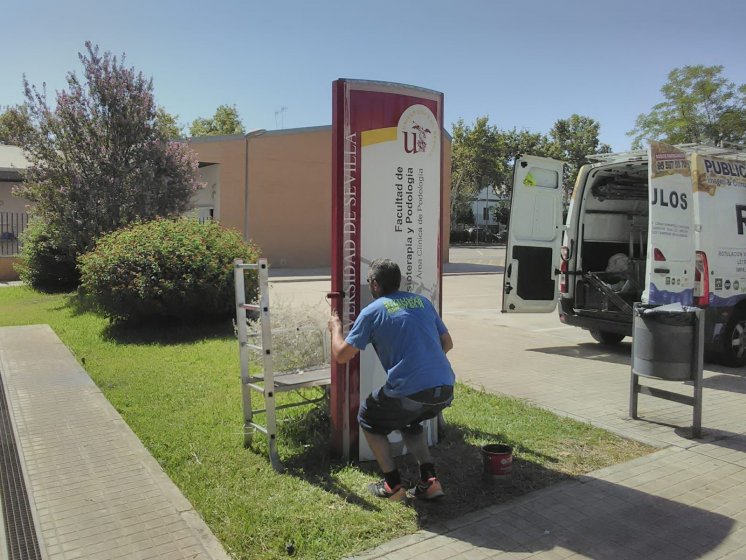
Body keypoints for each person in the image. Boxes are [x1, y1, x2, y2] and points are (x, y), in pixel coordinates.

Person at [328, 258, 455, 501]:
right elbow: (447, 343)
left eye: (369, 282)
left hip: (411, 390)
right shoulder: (422, 302)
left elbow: (342, 355)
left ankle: (393, 486)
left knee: (368, 418)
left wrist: (335, 327)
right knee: (409, 420)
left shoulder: (373, 312)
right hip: (445, 387)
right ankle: (430, 482)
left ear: (375, 284)